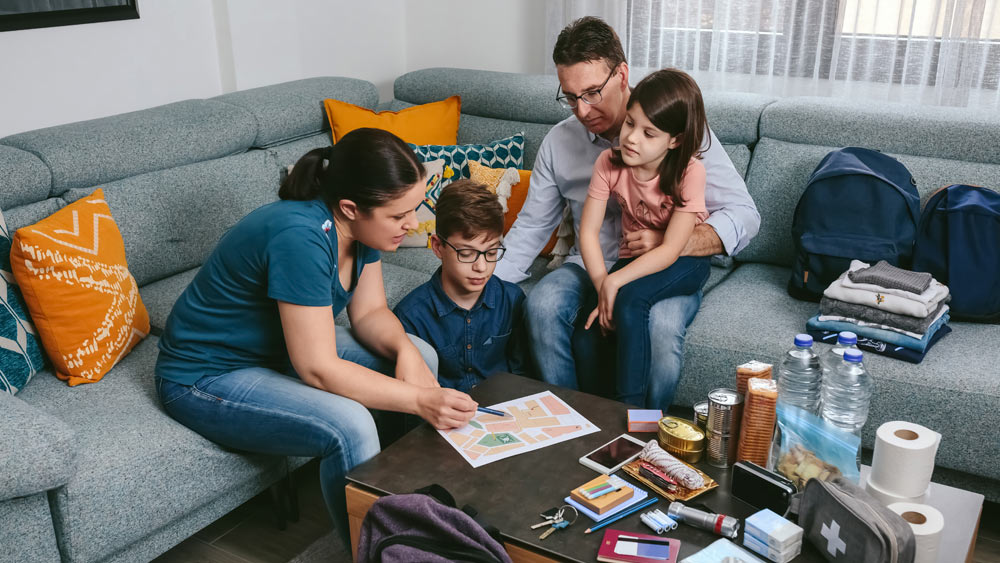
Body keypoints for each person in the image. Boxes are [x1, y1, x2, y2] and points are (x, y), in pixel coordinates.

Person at [153, 128, 478, 542]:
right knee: (350, 424)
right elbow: (318, 369)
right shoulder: (301, 237)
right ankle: (368, 548)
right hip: (204, 375)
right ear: (350, 208)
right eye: (399, 216)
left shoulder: (361, 229)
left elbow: (371, 313)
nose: (412, 225)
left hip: (273, 350)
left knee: (419, 352)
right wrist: (419, 399)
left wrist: (405, 351)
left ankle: (410, 507)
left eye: (412, 210)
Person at [494, 17, 760, 408]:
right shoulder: (560, 143)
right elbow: (532, 227)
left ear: (622, 74)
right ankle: (572, 422)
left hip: (661, 265)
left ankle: (644, 436)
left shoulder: (677, 130)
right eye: (570, 96)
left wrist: (673, 241)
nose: (582, 110)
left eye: (592, 93)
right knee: (543, 305)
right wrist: (478, 282)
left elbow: (744, 214)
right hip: (590, 264)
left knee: (662, 327)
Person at [580, 68, 711, 405]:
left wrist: (616, 283)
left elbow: (670, 250)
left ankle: (632, 419)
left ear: (675, 140)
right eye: (630, 124)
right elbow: (588, 232)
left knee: (631, 300)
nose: (632, 138)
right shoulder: (608, 162)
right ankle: (597, 414)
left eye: (649, 133)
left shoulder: (689, 172)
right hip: (634, 258)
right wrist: (601, 286)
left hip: (685, 260)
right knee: (591, 326)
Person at [394, 180, 528, 392]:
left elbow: (523, 376)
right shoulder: (411, 316)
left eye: (492, 253)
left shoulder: (512, 300)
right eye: (466, 254)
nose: (481, 266)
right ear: (438, 247)